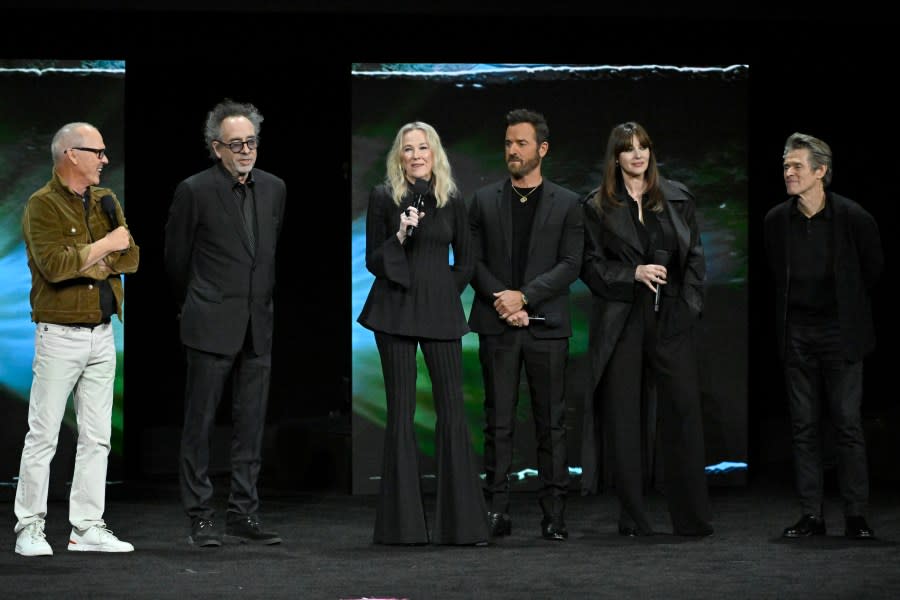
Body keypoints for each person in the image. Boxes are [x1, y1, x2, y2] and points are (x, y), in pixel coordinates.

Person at [357, 121, 488, 546]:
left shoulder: (451, 198)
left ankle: (462, 525)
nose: (416, 155)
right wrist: (400, 234)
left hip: (439, 310)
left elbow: (467, 260)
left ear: (435, 154)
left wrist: (441, 290)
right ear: (399, 156)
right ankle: (403, 527)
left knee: (451, 409)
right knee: (402, 410)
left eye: (423, 148)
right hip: (393, 308)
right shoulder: (384, 197)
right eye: (408, 149)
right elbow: (374, 261)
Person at [579, 121, 712, 537]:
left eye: (644, 147)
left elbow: (695, 259)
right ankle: (633, 516)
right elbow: (590, 266)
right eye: (629, 148)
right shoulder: (598, 205)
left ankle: (691, 518)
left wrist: (688, 307)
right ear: (615, 157)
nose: (638, 154)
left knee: (682, 413)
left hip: (671, 317)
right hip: (623, 318)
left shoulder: (677, 197)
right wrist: (631, 273)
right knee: (625, 416)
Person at [164, 99, 285, 547]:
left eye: (251, 142)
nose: (246, 151)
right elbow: (175, 261)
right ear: (217, 148)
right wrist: (194, 302)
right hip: (209, 321)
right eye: (236, 144)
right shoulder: (194, 190)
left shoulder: (274, 188)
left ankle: (243, 512)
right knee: (199, 424)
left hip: (258, 324)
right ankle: (200, 515)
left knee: (250, 423)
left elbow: (264, 257)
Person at [14, 122, 139, 556]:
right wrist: (104, 247)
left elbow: (132, 255)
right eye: (98, 152)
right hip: (59, 336)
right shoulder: (41, 205)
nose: (105, 159)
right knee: (44, 435)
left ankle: (86, 527)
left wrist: (97, 255)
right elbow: (53, 266)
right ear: (72, 155)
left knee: (97, 437)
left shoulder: (106, 200)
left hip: (103, 335)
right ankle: (29, 525)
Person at [468, 108, 583, 541]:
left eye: (521, 143)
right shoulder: (482, 201)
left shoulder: (569, 203)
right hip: (498, 323)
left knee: (550, 423)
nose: (512, 150)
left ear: (542, 149)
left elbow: (571, 264)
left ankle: (554, 514)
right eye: (508, 143)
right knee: (497, 422)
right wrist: (504, 299)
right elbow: (471, 261)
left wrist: (525, 296)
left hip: (546, 326)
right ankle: (496, 511)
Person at [764, 132, 882, 540]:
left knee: (847, 424)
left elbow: (872, 269)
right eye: (785, 166)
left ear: (820, 171)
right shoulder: (777, 221)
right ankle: (811, 514)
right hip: (796, 333)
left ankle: (856, 515)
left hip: (840, 333)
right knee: (803, 426)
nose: (788, 172)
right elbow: (776, 273)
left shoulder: (853, 217)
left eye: (796, 166)